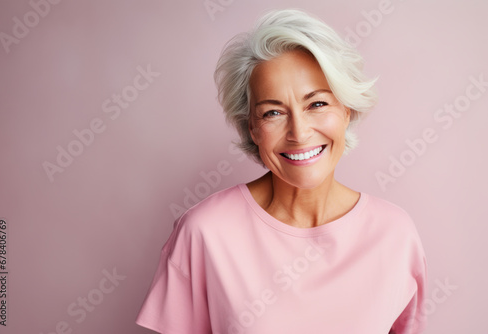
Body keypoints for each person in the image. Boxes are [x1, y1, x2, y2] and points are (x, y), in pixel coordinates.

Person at [135, 8, 427, 334]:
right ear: (253, 129)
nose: (299, 133)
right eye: (273, 112)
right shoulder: (204, 233)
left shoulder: (395, 235)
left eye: (317, 104)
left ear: (346, 110)